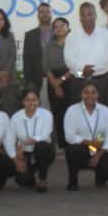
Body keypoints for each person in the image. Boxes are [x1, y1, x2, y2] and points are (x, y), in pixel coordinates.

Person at [64, 80, 108, 190]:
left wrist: (98, 156)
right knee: (72, 150)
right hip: (82, 148)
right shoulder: (72, 111)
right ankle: (73, 179)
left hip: (100, 148)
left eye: (93, 92)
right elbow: (70, 136)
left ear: (98, 95)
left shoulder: (106, 111)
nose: (90, 95)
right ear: (81, 94)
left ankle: (100, 174)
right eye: (86, 92)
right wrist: (91, 143)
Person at [64, 2, 108, 108]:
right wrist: (83, 69)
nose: (86, 18)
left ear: (95, 16)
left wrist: (93, 69)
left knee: (103, 112)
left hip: (101, 78)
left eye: (89, 14)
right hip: (79, 77)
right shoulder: (72, 36)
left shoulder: (105, 35)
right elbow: (68, 59)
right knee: (78, 112)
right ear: (80, 17)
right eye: (83, 15)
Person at [4, 86, 56, 192]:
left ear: (38, 101)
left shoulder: (46, 115)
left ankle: (42, 179)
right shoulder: (16, 117)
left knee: (42, 146)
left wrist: (24, 142)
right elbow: (8, 141)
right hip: (25, 154)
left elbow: (45, 135)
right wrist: (16, 161)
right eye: (28, 100)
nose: (31, 103)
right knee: (22, 180)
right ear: (23, 101)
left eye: (34, 100)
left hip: (44, 151)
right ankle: (31, 178)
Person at [43, 16, 71, 147]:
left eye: (62, 26)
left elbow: (76, 67)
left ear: (68, 27)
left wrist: (62, 80)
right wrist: (55, 84)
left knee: (70, 112)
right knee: (57, 112)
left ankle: (72, 143)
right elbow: (45, 67)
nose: (59, 29)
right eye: (56, 27)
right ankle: (62, 144)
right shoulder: (49, 46)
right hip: (52, 80)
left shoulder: (74, 44)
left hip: (70, 80)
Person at [21, 3, 53, 101]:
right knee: (40, 107)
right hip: (38, 80)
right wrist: (29, 83)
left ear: (51, 14)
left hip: (58, 80)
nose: (45, 14)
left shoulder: (59, 32)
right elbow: (27, 61)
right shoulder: (30, 35)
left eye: (48, 12)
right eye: (42, 12)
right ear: (38, 15)